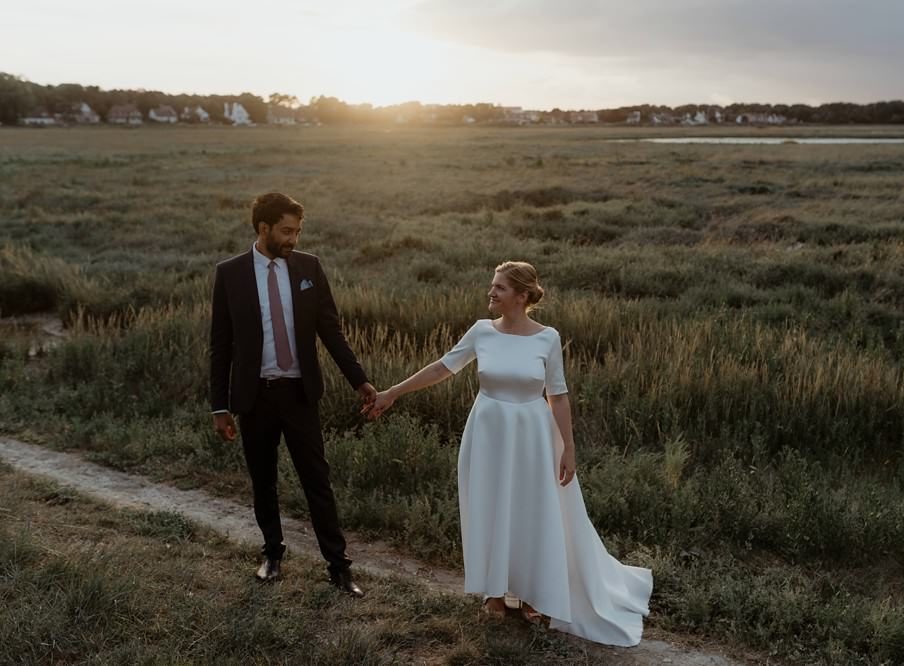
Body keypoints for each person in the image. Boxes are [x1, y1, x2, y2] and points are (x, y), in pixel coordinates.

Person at [365, 261, 652, 646]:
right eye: (492, 286)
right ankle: (496, 592)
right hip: (488, 434)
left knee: (533, 511)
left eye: (499, 288)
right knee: (491, 506)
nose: (492, 292)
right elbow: (441, 369)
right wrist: (392, 393)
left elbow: (559, 395)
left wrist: (568, 447)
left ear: (521, 296)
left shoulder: (547, 338)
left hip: (533, 437)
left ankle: (536, 592)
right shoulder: (481, 331)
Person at [210, 192, 375, 596]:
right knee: (263, 480)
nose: (293, 238)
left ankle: (339, 568)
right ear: (263, 228)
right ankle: (272, 555)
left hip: (300, 394)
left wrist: (360, 380)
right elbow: (221, 344)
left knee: (317, 479)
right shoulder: (230, 273)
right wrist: (220, 406)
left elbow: (330, 330)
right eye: (286, 230)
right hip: (255, 397)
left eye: (298, 230)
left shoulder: (308, 267)